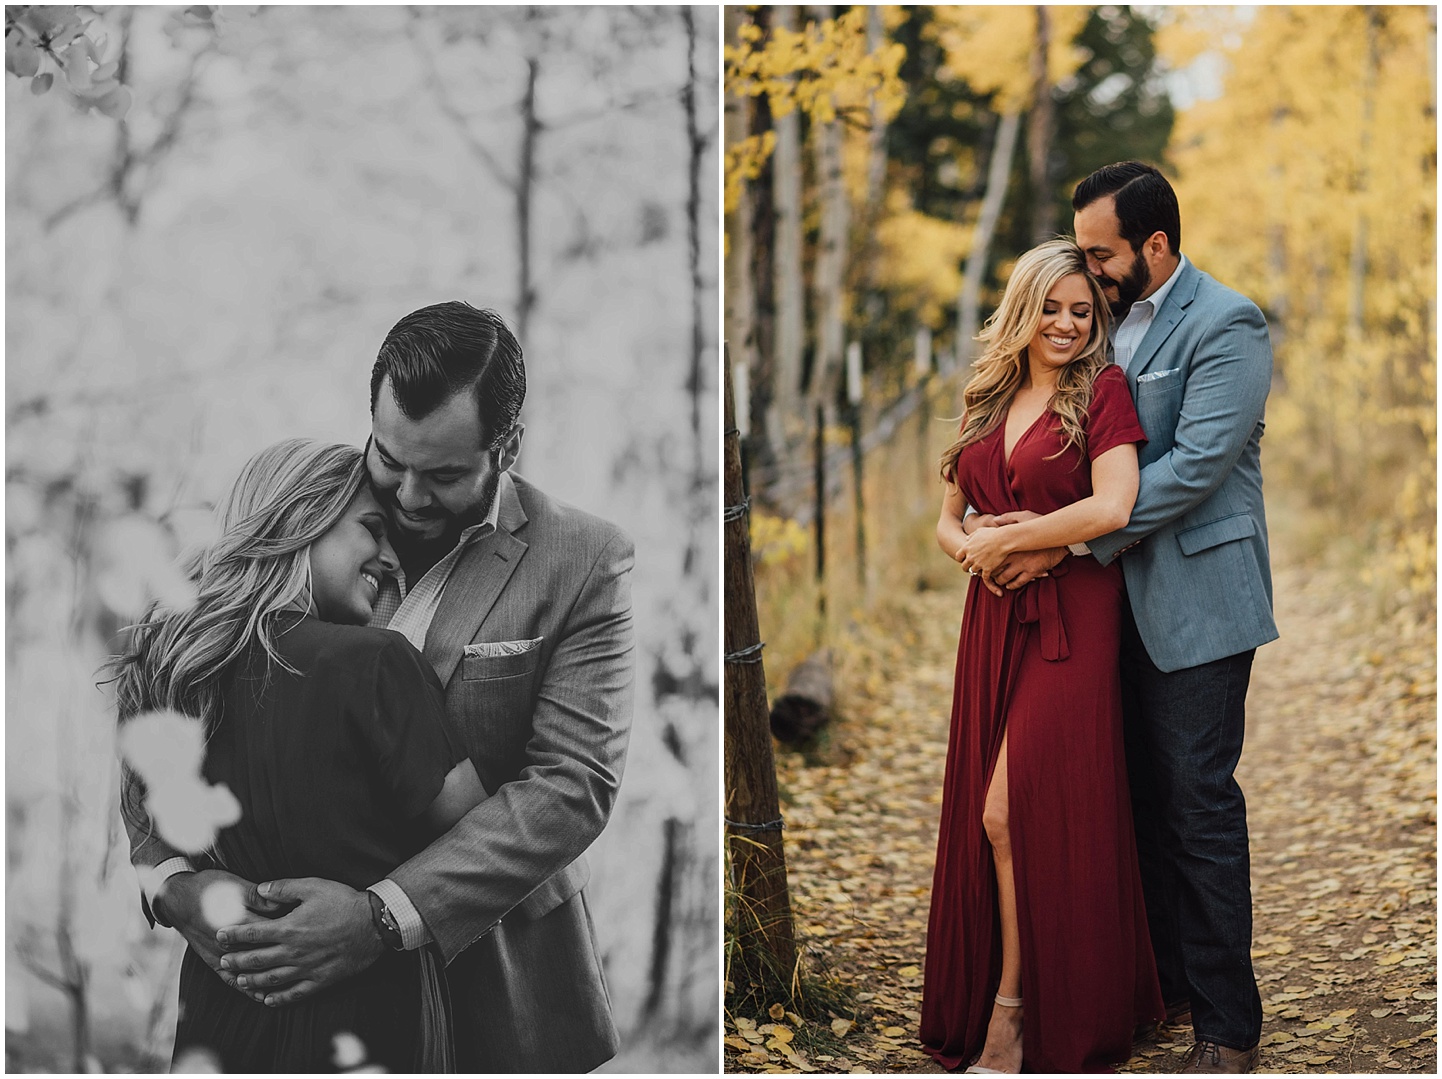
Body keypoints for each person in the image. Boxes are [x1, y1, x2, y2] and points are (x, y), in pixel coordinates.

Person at [123, 302, 636, 1072]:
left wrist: (380, 917)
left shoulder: (584, 558)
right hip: (287, 990)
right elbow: (160, 728)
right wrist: (173, 885)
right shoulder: (326, 513)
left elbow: (573, 783)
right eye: (391, 460)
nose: (409, 498)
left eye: (444, 475)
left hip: (501, 970)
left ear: (508, 447)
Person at [984, 162, 1277, 1073]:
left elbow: (1192, 468)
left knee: (1196, 806)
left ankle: (1228, 1026)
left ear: (1156, 244)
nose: (1090, 267)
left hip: (1196, 603)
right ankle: (1164, 988)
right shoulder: (1102, 322)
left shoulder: (1228, 323)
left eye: (1104, 252)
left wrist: (1064, 540)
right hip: (1106, 611)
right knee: (1135, 803)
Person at [112, 439, 488, 1071]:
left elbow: (146, 822)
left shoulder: (174, 669)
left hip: (220, 1008)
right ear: (301, 518)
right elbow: (476, 840)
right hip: (362, 1014)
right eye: (373, 529)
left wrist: (178, 887)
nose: (393, 559)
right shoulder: (378, 664)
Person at [921, 239, 1164, 1074]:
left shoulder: (1102, 389)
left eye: (1082, 311)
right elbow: (947, 521)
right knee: (1005, 819)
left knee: (1007, 812)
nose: (1066, 324)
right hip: (991, 616)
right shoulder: (985, 397)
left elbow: (1116, 501)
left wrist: (1031, 539)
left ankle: (1017, 1009)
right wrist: (978, 548)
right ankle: (1056, 989)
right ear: (1023, 308)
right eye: (1052, 307)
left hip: (1074, 618)